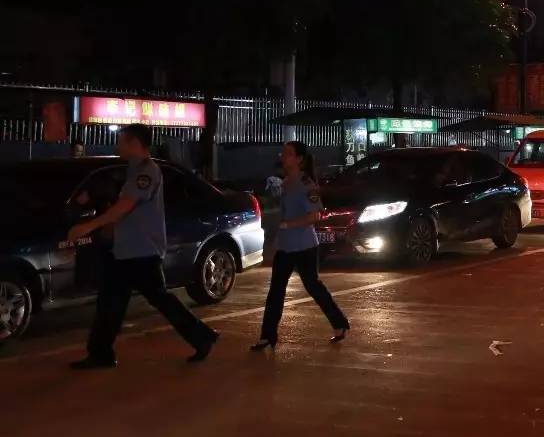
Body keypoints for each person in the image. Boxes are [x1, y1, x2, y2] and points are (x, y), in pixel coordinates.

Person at [67, 123, 218, 369]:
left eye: (122, 141)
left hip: (142, 252)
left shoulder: (146, 171)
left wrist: (89, 226)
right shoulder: (133, 170)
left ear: (134, 143)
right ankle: (100, 353)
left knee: (158, 300)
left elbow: (125, 206)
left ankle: (202, 337)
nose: (118, 146)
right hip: (125, 251)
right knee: (110, 303)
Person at [251, 141, 350, 351]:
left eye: (288, 154)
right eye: (283, 153)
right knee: (276, 290)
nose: (283, 156)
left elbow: (314, 216)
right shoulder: (286, 182)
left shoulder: (307, 184)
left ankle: (339, 323)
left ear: (299, 159)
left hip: (304, 246)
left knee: (313, 286)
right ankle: (267, 336)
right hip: (285, 246)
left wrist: (287, 224)